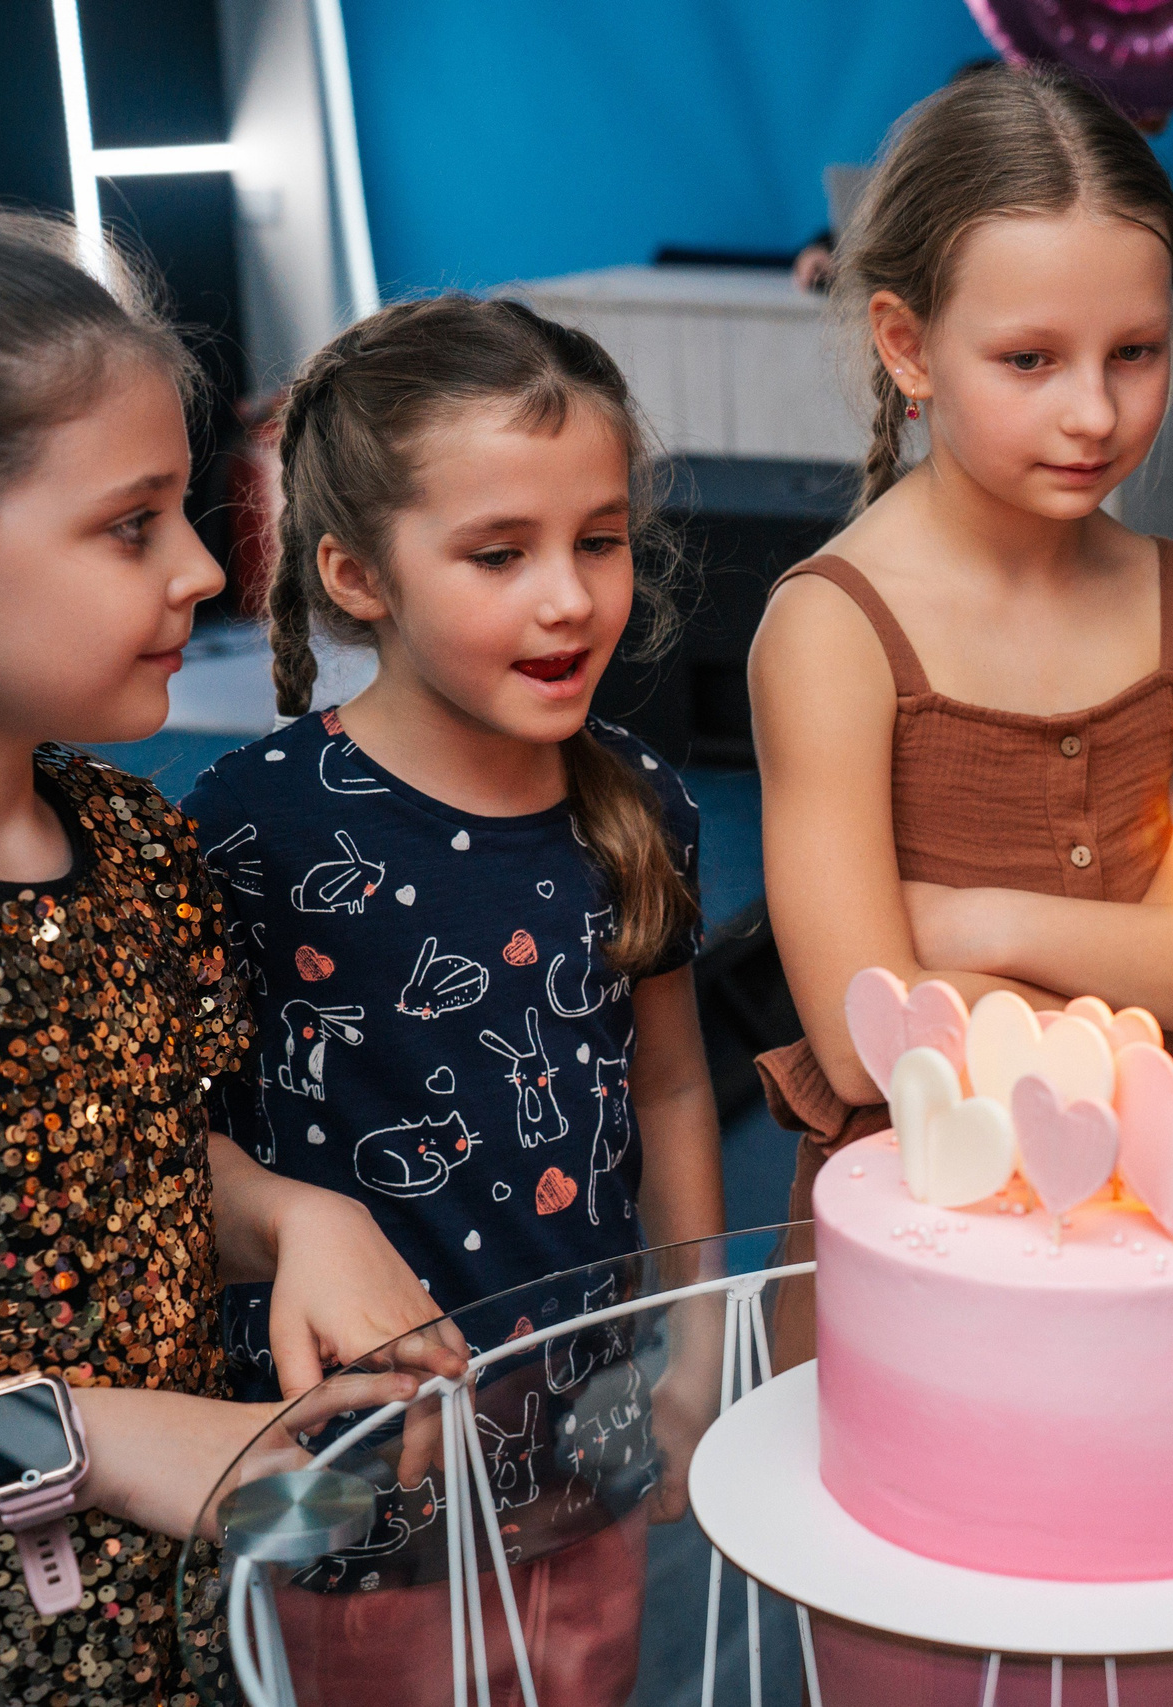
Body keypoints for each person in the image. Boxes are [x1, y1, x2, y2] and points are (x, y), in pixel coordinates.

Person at [0, 203, 444, 1706]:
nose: (207, 574)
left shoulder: (138, 846)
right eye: (129, 522)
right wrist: (83, 1435)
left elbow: (107, 1156)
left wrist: (293, 1214)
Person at [184, 293, 726, 1705]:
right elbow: (179, 1136)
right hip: (345, 1467)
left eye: (598, 540)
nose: (570, 595)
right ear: (358, 573)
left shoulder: (639, 800)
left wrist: (702, 1336)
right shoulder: (257, 823)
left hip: (579, 1434)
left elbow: (668, 1083)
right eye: (501, 552)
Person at [751, 59, 1173, 1189]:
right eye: (1029, 360)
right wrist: (1149, 963)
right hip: (920, 1214)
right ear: (907, 346)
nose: (1095, 414)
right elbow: (866, 1049)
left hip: (1153, 1196)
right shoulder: (831, 631)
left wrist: (968, 928)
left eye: (1135, 354)